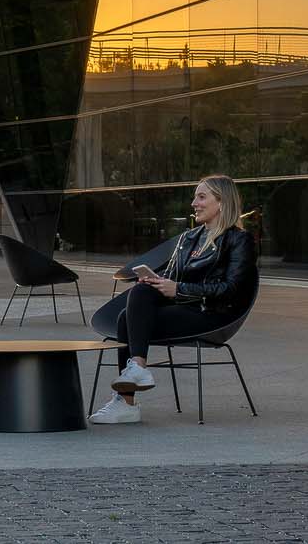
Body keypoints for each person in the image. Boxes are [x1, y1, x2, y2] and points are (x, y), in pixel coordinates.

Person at [90, 173, 258, 425]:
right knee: (137, 297)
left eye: (201, 197)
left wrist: (178, 289)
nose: (194, 203)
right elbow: (170, 278)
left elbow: (232, 289)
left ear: (221, 203)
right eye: (195, 197)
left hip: (211, 314)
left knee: (127, 319)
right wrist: (156, 283)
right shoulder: (189, 238)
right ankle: (136, 372)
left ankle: (128, 399)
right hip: (181, 308)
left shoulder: (238, 240)